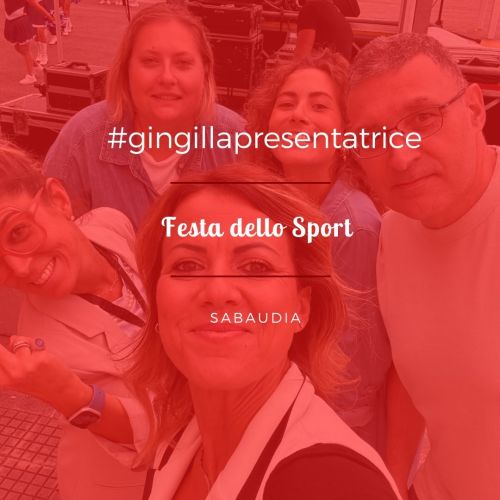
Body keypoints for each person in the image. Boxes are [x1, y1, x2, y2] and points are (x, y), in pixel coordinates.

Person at [127, 164, 401, 500]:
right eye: (187, 265)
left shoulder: (339, 486)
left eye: (256, 267)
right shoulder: (176, 442)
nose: (217, 291)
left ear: (301, 308)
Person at [346, 33, 500, 500]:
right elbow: (414, 370)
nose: (401, 155)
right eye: (372, 137)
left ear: (474, 109)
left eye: (422, 118)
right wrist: (394, 480)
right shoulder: (395, 233)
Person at [245, 50, 391, 454]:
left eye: (320, 106)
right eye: (286, 103)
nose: (298, 115)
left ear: (346, 133)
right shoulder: (266, 204)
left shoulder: (354, 225)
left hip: (330, 430)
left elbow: (353, 372)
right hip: (277, 405)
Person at [0, 141, 148, 499]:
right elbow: (153, 433)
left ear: (59, 200)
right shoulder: (47, 343)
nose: (19, 267)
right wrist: (73, 398)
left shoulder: (110, 225)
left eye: (17, 231)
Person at [43, 3, 245, 230]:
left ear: (205, 70)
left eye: (183, 63)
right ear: (126, 68)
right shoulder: (82, 140)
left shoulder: (237, 142)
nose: (167, 77)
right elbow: (48, 235)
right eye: (150, 61)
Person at [3, 0, 36, 84]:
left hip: (21, 21)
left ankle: (31, 76)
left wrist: (49, 17)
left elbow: (34, 5)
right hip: (11, 20)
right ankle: (34, 64)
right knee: (17, 47)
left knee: (25, 49)